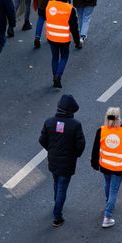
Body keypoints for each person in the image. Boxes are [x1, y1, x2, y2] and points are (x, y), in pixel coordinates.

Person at [39, 94, 86, 227]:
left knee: (56, 182)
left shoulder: (49, 122)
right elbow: (80, 144)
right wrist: (75, 155)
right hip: (68, 162)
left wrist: (51, 150)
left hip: (53, 160)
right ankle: (57, 216)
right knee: (62, 187)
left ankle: (56, 204)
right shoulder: (75, 125)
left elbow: (42, 140)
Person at [90, 107, 122, 227]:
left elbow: (95, 149)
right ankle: (107, 217)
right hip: (119, 167)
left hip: (105, 165)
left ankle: (108, 203)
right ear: (119, 119)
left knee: (108, 184)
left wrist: (94, 163)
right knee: (114, 190)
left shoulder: (101, 131)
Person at [45, 0, 80, 87]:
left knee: (54, 57)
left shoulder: (49, 5)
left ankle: (54, 76)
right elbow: (74, 28)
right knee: (64, 57)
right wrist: (77, 42)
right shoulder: (70, 9)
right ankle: (58, 76)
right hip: (64, 39)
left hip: (51, 37)